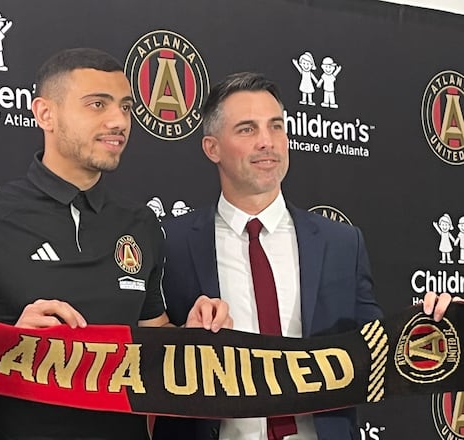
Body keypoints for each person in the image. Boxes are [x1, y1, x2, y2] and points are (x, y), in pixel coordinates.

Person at [0, 48, 231, 440]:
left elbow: (152, 339)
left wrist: (190, 334)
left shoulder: (141, 224)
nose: (118, 121)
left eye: (125, 107)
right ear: (45, 114)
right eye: (97, 105)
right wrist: (6, 341)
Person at [152, 71, 457, 440]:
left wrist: (435, 324)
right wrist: (186, 338)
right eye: (247, 129)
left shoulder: (342, 243)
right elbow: (146, 357)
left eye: (276, 126)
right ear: (212, 147)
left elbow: (374, 352)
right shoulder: (170, 243)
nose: (267, 142)